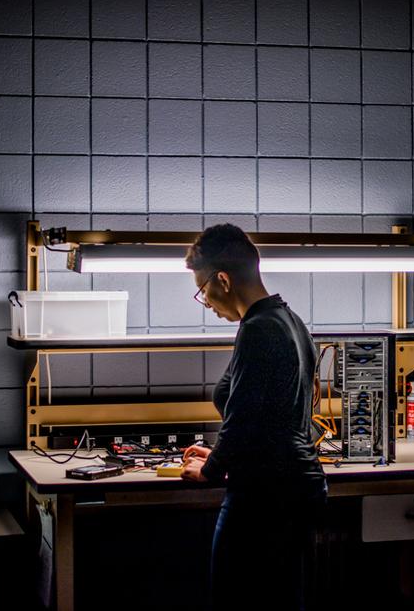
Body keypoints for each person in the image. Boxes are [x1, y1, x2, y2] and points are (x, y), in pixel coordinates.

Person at [179, 223, 327, 611]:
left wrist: (209, 470)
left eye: (202, 289)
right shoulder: (291, 322)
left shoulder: (260, 329)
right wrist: (217, 453)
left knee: (234, 603)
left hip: (265, 496)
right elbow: (269, 413)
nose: (206, 300)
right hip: (295, 487)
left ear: (223, 280)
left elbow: (244, 420)